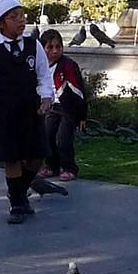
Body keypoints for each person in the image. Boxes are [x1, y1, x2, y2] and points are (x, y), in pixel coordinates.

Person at [0, 0, 54, 224]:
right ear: (1, 23)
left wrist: (46, 96)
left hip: (30, 109)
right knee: (11, 157)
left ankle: (18, 190)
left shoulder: (33, 45)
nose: (21, 21)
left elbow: (43, 74)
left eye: (22, 16)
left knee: (37, 155)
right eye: (14, 17)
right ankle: (18, 203)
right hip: (5, 112)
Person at [39, 26, 86, 181]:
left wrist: (81, 115)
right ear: (42, 48)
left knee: (63, 138)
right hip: (51, 107)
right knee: (47, 135)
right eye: (49, 47)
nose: (54, 51)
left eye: (58, 47)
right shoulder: (41, 66)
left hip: (68, 108)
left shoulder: (68, 65)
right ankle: (51, 166)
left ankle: (69, 168)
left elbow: (78, 90)